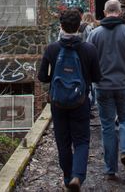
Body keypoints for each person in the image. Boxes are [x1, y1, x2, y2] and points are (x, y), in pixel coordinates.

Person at [38, 10, 102, 192]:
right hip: (81, 101)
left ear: (61, 26)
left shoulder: (52, 49)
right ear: (79, 25)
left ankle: (67, 178)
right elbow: (97, 76)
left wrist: (57, 80)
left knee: (63, 141)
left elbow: (42, 77)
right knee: (81, 140)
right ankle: (78, 176)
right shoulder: (89, 49)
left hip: (58, 102)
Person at [87, 0, 125, 179]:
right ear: (120, 13)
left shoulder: (94, 34)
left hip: (102, 86)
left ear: (104, 13)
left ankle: (110, 169)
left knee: (107, 125)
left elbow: (88, 59)